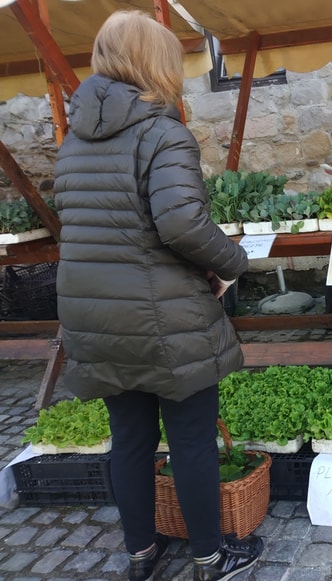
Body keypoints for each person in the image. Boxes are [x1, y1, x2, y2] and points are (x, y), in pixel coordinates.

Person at [53, 11, 261, 581]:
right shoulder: (162, 132)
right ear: (154, 63)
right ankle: (210, 558)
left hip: (96, 313)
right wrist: (234, 265)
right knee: (191, 441)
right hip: (165, 317)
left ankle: (142, 555)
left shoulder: (73, 142)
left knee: (130, 441)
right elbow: (182, 225)